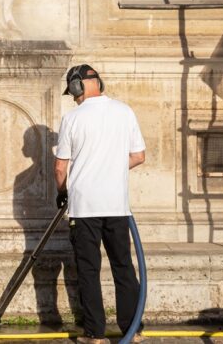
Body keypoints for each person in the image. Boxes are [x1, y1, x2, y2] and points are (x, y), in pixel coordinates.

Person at [54, 64, 146, 344]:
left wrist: (62, 190)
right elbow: (139, 156)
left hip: (84, 208)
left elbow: (60, 167)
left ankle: (95, 335)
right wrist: (113, 169)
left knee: (89, 269)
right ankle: (133, 331)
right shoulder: (124, 111)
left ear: (77, 86)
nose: (73, 97)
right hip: (118, 206)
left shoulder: (73, 118)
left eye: (72, 91)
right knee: (123, 267)